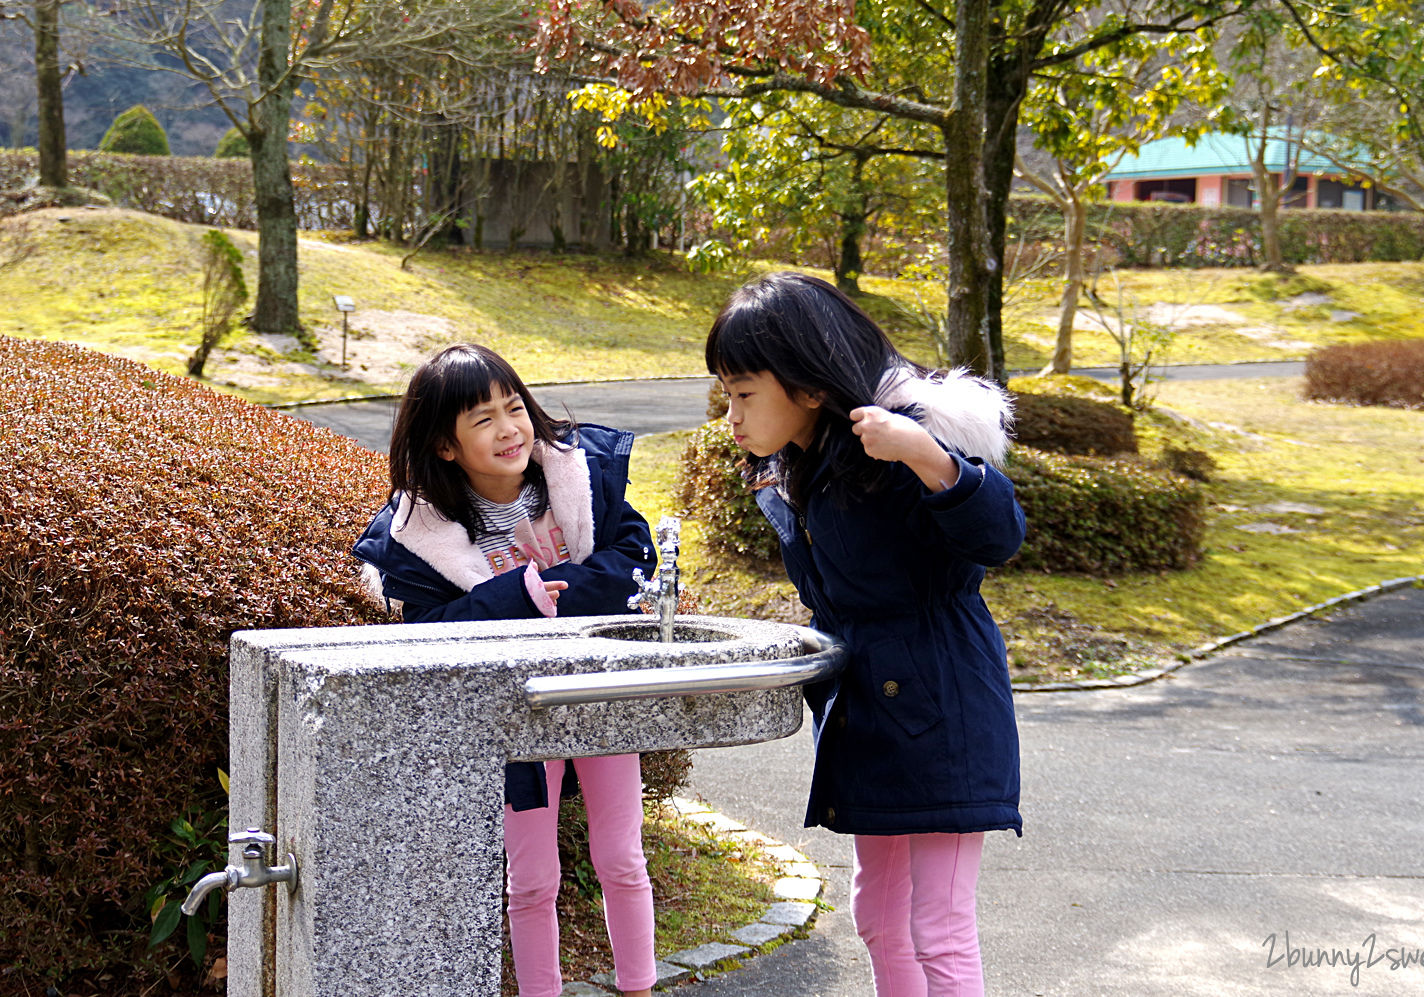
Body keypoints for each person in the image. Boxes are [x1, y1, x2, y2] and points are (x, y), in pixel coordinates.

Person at [705, 272, 1027, 997]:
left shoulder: (901, 440)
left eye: (744, 393)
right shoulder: (805, 469)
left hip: (944, 715)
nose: (731, 415)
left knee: (936, 924)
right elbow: (836, 601)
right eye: (726, 394)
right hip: (870, 716)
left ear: (809, 387)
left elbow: (999, 535)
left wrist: (926, 455)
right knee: (878, 914)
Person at [353, 343, 659, 997]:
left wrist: (550, 587)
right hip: (512, 717)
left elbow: (635, 561)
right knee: (532, 877)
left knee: (622, 859)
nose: (509, 428)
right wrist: (522, 595)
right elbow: (429, 634)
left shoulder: (581, 477)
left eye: (514, 407)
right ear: (444, 445)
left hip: (599, 694)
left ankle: (640, 987)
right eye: (483, 418)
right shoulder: (420, 532)